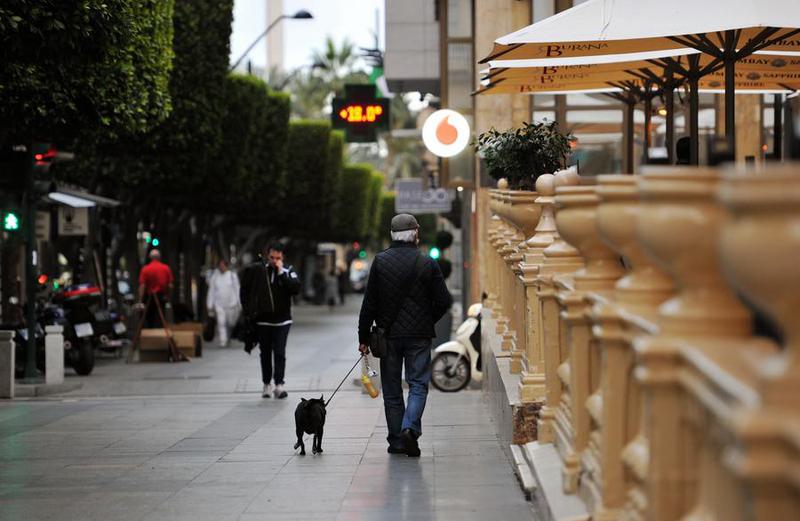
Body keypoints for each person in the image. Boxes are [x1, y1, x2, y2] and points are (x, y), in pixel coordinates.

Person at [357, 214, 452, 457]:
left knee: (391, 389)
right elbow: (444, 300)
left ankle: (397, 442)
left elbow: (369, 303)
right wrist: (426, 319)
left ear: (392, 235)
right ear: (415, 234)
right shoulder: (427, 263)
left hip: (388, 335)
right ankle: (410, 426)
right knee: (418, 383)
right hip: (419, 336)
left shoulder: (380, 262)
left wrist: (363, 337)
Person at [240, 243, 301, 399]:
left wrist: (281, 272)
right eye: (272, 257)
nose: (275, 261)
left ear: (282, 257)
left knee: (280, 352)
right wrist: (249, 311)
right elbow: (246, 288)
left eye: (278, 258)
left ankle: (279, 385)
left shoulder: (288, 270)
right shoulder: (260, 271)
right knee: (265, 353)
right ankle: (267, 384)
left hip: (283, 321)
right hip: (263, 321)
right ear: (268, 256)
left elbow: (295, 289)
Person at [206, 259, 241, 347]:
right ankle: (223, 341)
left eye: (223, 265)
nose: (221, 267)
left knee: (230, 323)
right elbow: (212, 291)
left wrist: (239, 302)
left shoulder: (232, 276)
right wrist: (210, 304)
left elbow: (237, 289)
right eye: (220, 266)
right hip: (219, 304)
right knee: (221, 322)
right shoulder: (215, 277)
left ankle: (228, 337)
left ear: (226, 266)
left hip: (231, 304)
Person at [138, 249, 174, 328]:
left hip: (149, 297)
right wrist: (169, 297)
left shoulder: (145, 269)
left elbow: (142, 286)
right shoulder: (166, 268)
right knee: (160, 319)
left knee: (149, 319)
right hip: (161, 297)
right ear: (159, 257)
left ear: (150, 258)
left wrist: (140, 300)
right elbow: (170, 286)